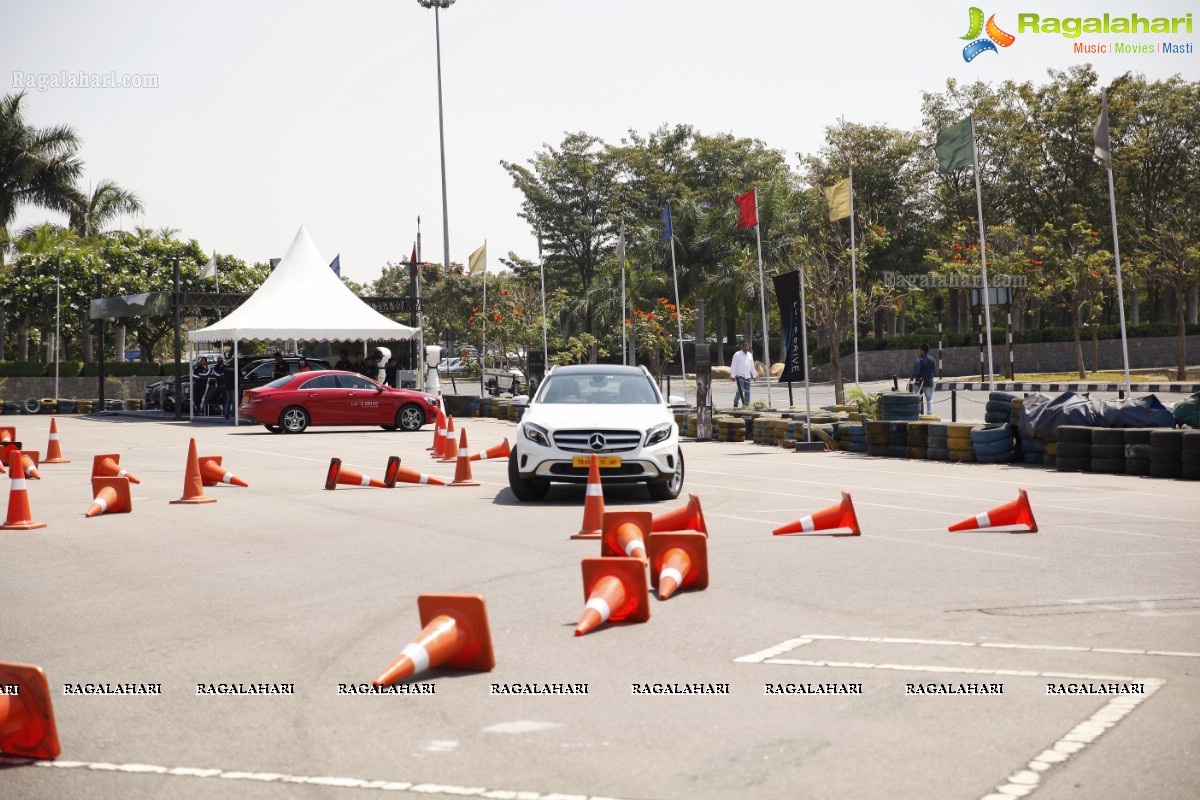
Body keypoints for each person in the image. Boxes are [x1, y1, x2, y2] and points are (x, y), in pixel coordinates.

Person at [911, 343, 937, 414]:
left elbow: (916, 372)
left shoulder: (918, 360)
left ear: (922, 351)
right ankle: (929, 412)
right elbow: (933, 369)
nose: (918, 351)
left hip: (919, 383)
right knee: (929, 398)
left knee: (917, 398)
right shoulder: (933, 360)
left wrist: (912, 378)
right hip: (929, 382)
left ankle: (917, 411)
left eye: (919, 350)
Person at [730, 340, 755, 408]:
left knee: (747, 391)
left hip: (747, 376)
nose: (747, 348)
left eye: (747, 347)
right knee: (741, 389)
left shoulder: (750, 355)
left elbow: (752, 365)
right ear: (742, 347)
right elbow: (733, 365)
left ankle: (746, 404)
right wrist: (733, 375)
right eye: (745, 346)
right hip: (739, 376)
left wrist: (754, 375)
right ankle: (736, 402)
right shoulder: (737, 354)